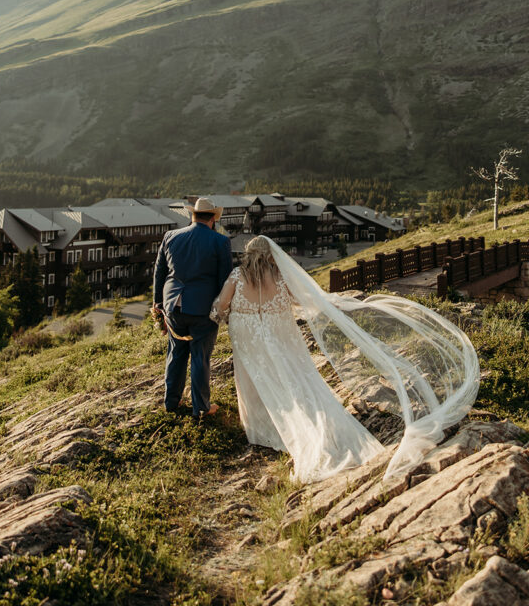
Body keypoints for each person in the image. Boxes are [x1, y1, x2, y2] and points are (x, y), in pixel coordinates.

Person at [211, 235, 480, 483]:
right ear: (271, 255)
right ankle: (304, 426)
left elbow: (222, 305)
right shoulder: (280, 277)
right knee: (292, 378)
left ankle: (260, 426)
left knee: (253, 378)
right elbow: (301, 300)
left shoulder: (237, 275)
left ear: (248, 254)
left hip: (248, 336)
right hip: (279, 335)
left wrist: (217, 315)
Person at [153, 197, 233, 419]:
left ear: (192, 215)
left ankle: (171, 402)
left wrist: (157, 303)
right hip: (203, 309)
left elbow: (159, 272)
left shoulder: (170, 236)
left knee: (175, 353)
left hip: (172, 307)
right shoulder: (220, 242)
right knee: (200, 357)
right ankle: (201, 408)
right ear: (213, 219)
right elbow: (224, 280)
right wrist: (223, 310)